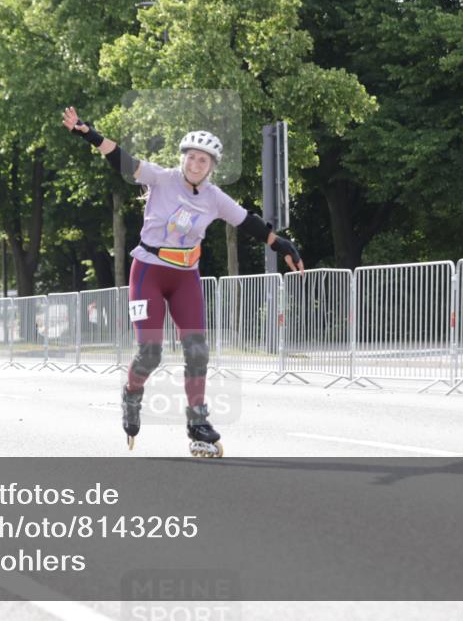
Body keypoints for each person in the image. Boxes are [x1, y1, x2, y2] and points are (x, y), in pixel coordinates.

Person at [62, 106, 303, 457]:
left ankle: (198, 422)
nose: (196, 164)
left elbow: (247, 222)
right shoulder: (161, 178)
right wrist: (89, 134)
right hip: (149, 272)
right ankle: (132, 393)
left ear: (212, 166)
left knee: (197, 350)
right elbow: (123, 160)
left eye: (203, 161)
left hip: (186, 276)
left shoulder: (213, 197)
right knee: (150, 353)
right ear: (183, 158)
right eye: (191, 157)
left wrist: (281, 244)